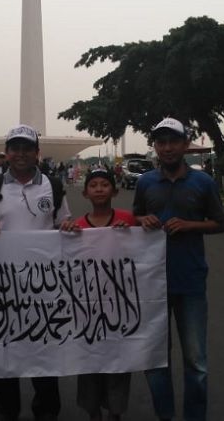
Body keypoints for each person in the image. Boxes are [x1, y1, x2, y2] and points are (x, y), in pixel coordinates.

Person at [0, 124, 72, 421]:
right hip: (2, 285)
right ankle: (7, 407)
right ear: (6, 153)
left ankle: (46, 408)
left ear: (37, 153)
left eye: (27, 148)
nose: (20, 154)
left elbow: (63, 224)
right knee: (3, 348)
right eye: (15, 148)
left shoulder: (52, 186)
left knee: (44, 347)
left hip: (43, 286)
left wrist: (69, 228)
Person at [133, 118, 224, 421]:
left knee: (196, 361)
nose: (167, 148)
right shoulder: (145, 183)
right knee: (156, 360)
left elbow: (220, 223)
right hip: (152, 284)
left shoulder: (203, 183)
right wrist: (142, 220)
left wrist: (189, 225)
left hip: (190, 281)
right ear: (155, 147)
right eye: (161, 142)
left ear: (186, 144)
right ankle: (165, 415)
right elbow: (135, 217)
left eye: (173, 141)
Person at [59, 168, 135, 421]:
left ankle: (115, 411)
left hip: (119, 305)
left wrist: (132, 232)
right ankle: (93, 411)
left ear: (114, 191)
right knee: (89, 360)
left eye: (104, 184)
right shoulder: (78, 226)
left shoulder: (127, 220)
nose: (99, 189)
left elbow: (142, 254)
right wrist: (66, 235)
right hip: (87, 308)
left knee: (118, 360)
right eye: (94, 185)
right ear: (85, 193)